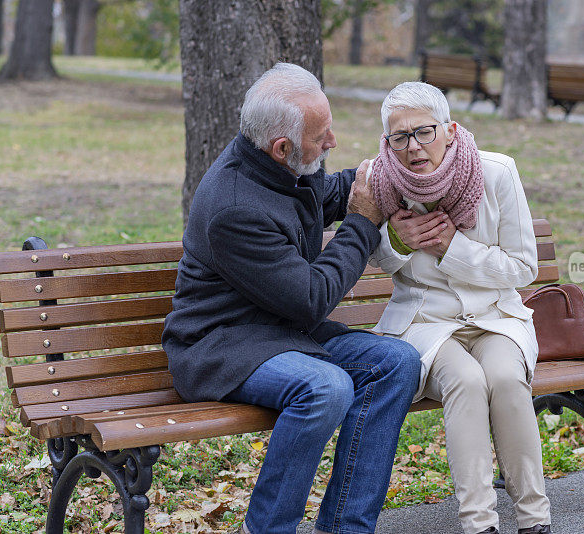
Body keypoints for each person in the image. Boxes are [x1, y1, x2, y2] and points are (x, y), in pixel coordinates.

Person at [161, 63, 421, 534]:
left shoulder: (276, 167)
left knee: (397, 362)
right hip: (222, 346)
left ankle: (346, 526)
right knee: (325, 388)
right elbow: (312, 298)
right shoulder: (234, 207)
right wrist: (362, 224)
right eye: (321, 136)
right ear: (282, 148)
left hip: (280, 335)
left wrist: (396, 172)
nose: (332, 142)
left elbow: (328, 193)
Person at [368, 82, 552, 534]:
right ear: (387, 141)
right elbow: (376, 260)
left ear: (449, 130)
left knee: (507, 380)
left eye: (424, 132)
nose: (413, 147)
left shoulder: (496, 172)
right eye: (400, 137)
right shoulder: (378, 180)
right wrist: (397, 238)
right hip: (425, 322)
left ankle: (534, 520)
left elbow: (524, 267)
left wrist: (454, 246)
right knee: (467, 382)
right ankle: (479, 524)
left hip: (495, 317)